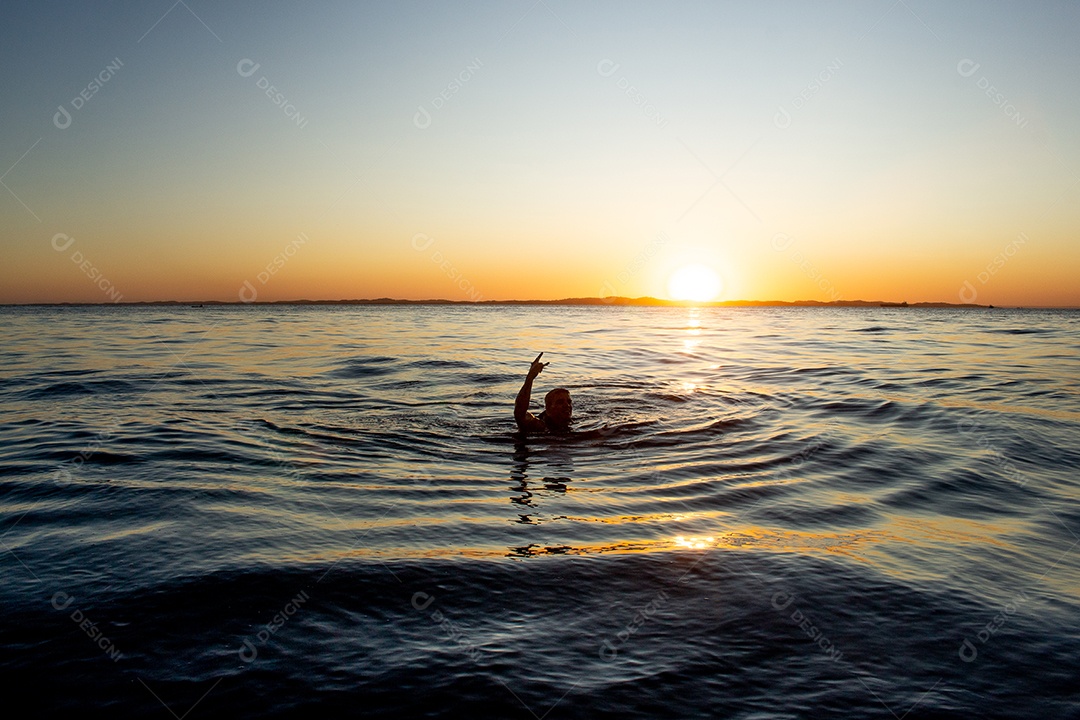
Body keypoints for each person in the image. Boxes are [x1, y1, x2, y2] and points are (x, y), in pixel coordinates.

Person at [514, 352, 572, 433]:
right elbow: (520, 413)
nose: (567, 405)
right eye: (560, 402)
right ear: (548, 408)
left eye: (569, 402)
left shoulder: (573, 422)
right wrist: (530, 378)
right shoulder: (540, 426)